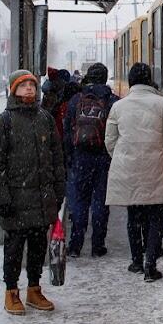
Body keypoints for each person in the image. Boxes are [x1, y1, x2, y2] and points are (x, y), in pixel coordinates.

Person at [0, 70, 65, 315]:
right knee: (14, 249)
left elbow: (57, 157)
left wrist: (59, 187)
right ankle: (11, 292)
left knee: (38, 246)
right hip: (16, 200)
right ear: (13, 90)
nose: (29, 89)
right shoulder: (2, 123)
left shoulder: (45, 119)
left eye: (32, 84)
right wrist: (3, 199)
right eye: (23, 86)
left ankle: (34, 289)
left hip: (41, 199)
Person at [105, 62, 163, 281]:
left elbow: (109, 141)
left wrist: (123, 157)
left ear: (130, 81)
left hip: (128, 168)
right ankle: (151, 265)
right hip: (156, 168)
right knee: (156, 218)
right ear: (149, 80)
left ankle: (136, 262)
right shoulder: (162, 104)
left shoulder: (118, 107)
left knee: (134, 216)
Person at [64, 63, 117, 257]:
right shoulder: (112, 101)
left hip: (81, 157)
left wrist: (70, 156)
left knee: (79, 201)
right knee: (100, 202)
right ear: (105, 78)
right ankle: (97, 246)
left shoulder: (76, 100)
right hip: (103, 157)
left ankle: (75, 246)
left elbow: (69, 131)